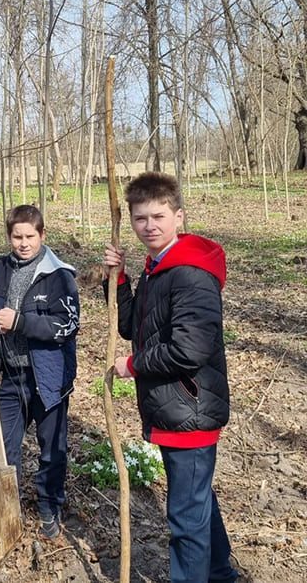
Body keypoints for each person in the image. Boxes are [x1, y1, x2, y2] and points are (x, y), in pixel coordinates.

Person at [102, 172, 238, 583]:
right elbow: (131, 327)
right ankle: (220, 573)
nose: (149, 226)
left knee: (185, 519)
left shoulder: (190, 273)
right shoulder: (158, 267)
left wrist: (134, 365)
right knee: (196, 502)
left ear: (178, 216)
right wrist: (119, 280)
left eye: (158, 216)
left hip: (190, 409)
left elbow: (190, 349)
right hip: (174, 406)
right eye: (140, 218)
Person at [0, 204, 80, 540]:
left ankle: (49, 507)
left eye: (30, 237)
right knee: (5, 448)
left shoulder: (59, 276)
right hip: (10, 374)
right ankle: (10, 510)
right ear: (9, 236)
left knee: (51, 450)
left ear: (42, 235)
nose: (23, 243)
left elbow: (67, 325)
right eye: (17, 237)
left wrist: (19, 322)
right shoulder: (0, 268)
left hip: (48, 378)